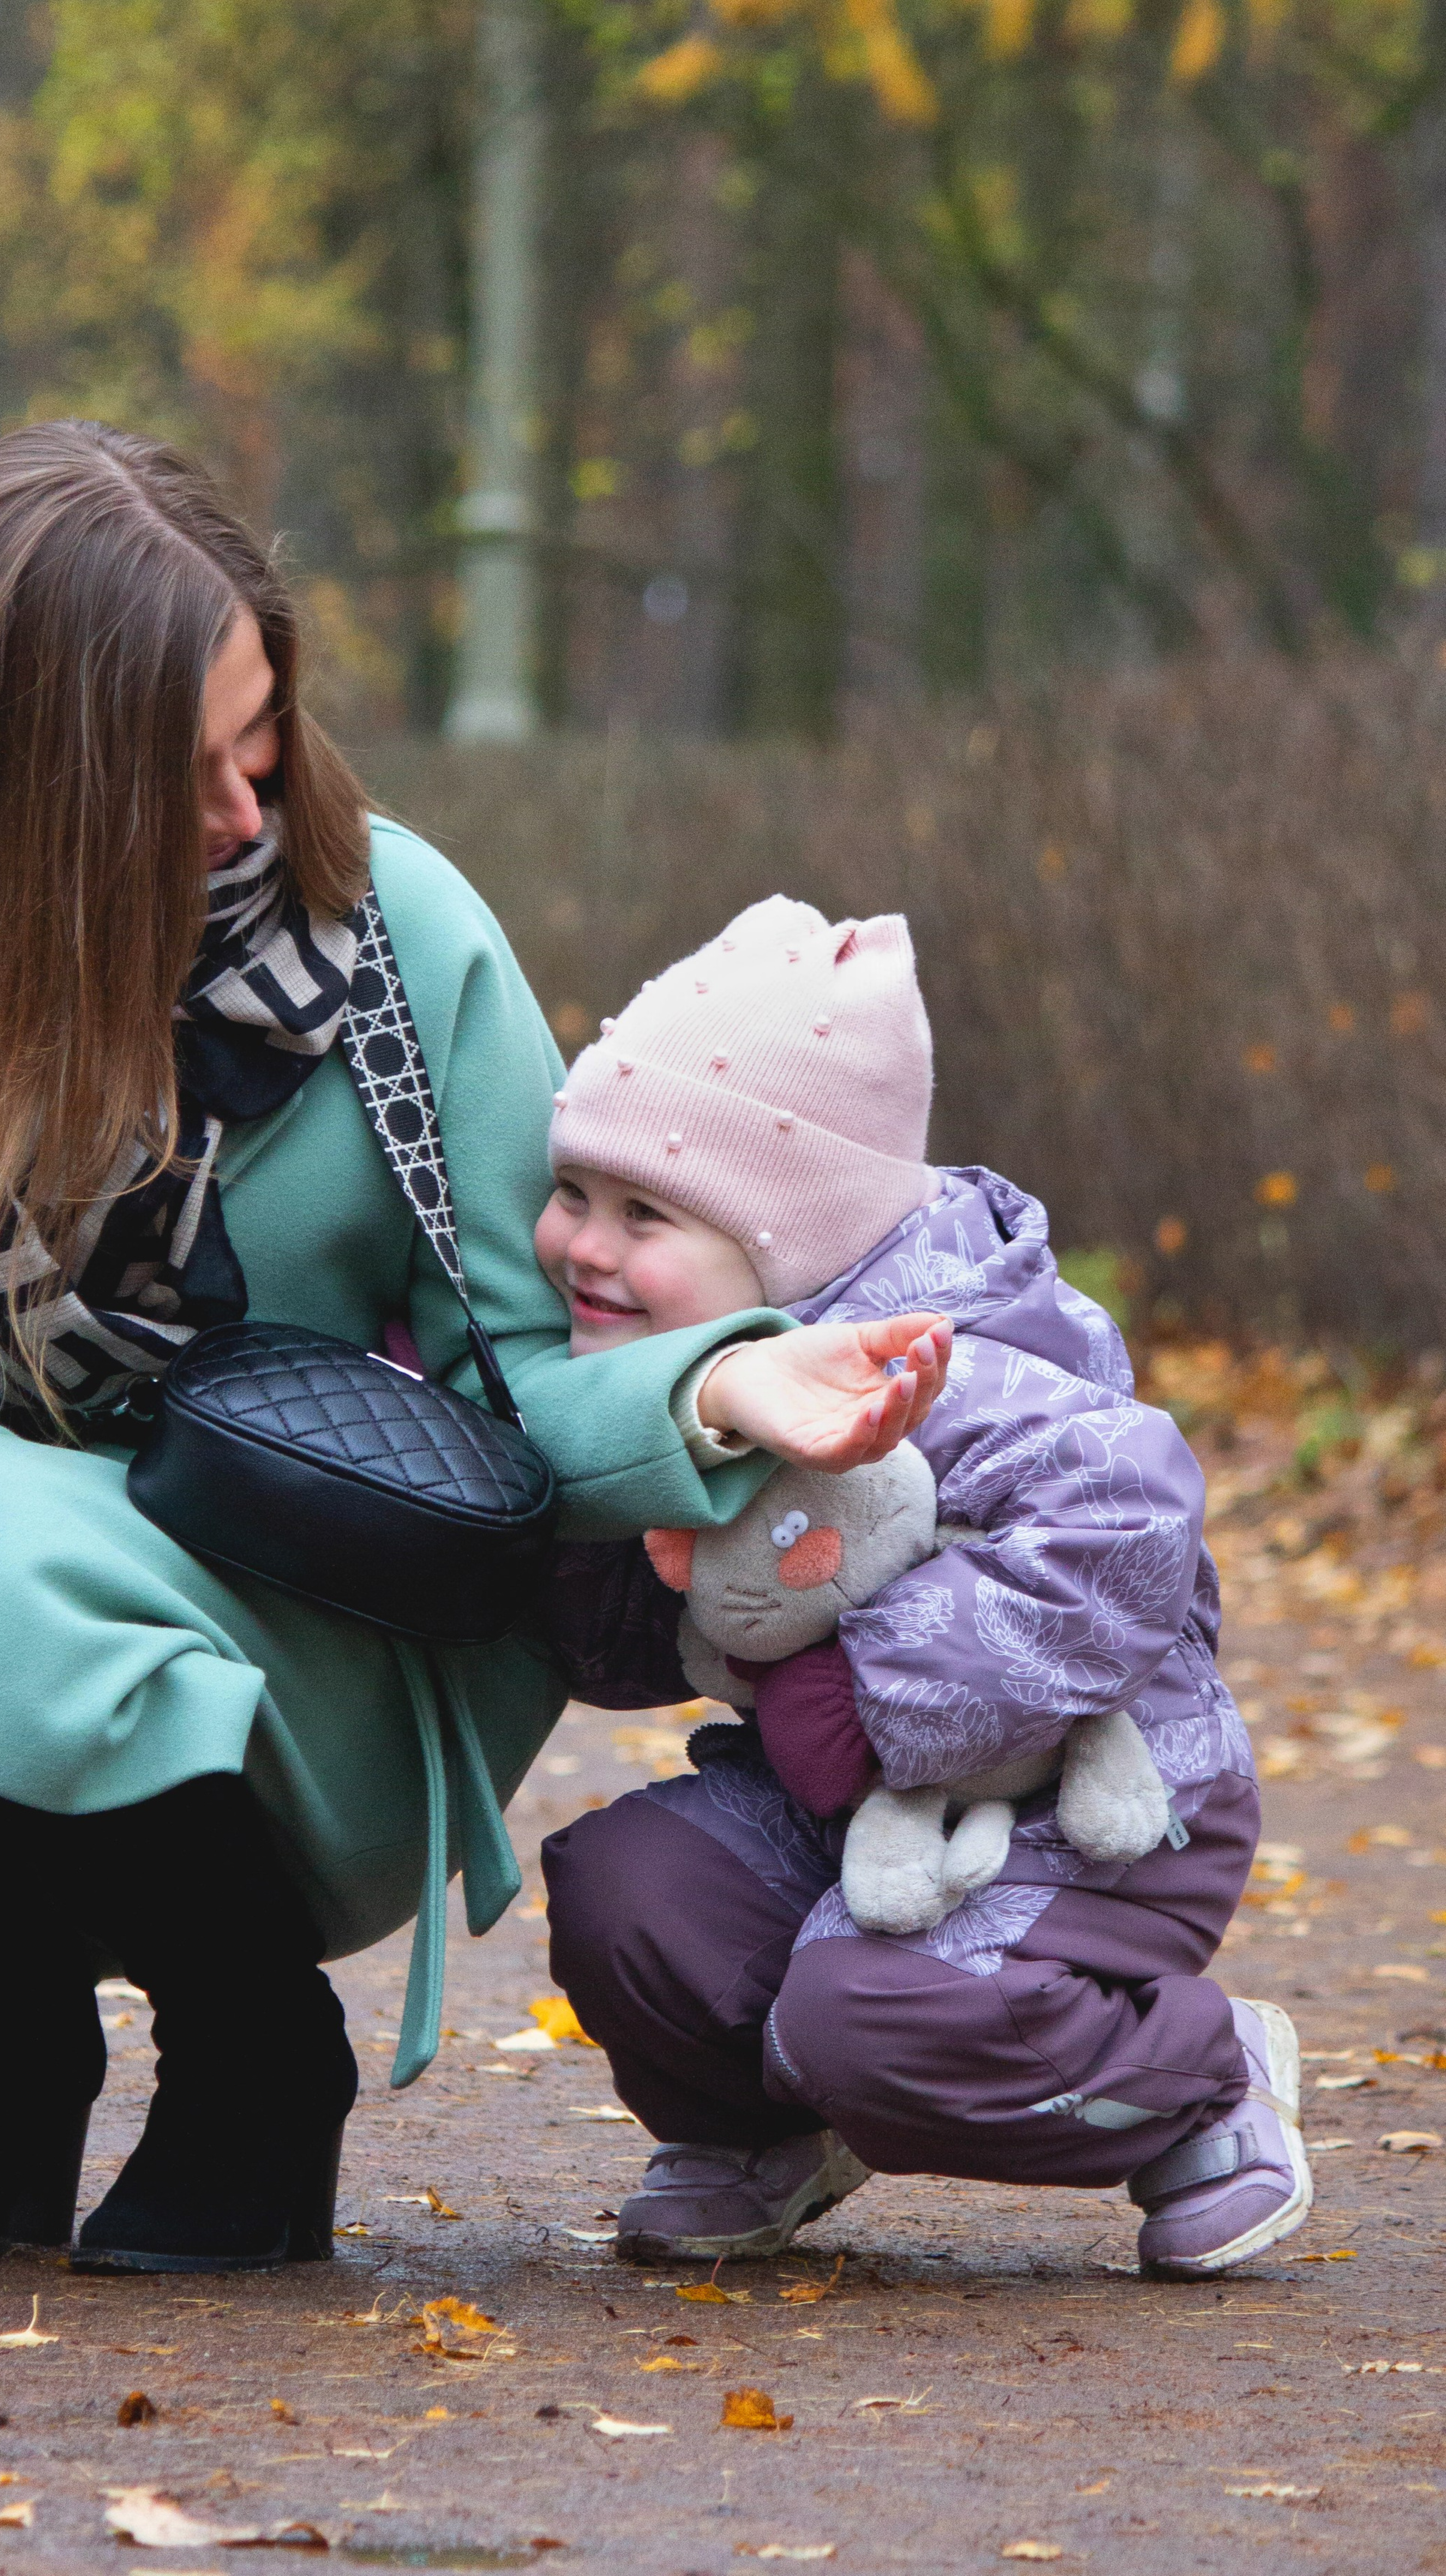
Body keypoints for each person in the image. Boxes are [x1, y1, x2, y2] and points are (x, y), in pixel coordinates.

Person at [0, 422, 949, 2277]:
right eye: (179, 770)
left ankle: (250, 2054)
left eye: (262, 736)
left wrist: (713, 1391)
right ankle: (10, 2048)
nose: (244, 810)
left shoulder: (385, 931)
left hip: (322, 1649)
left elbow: (516, 1372)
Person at [537, 897, 1304, 2282]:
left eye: (641, 1212)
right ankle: (761, 2132)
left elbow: (1131, 1518)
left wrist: (864, 1686)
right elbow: (633, 1642)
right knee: (628, 1890)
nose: (582, 1244)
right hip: (838, 1808)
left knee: (870, 2018)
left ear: (786, 1239)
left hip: (1092, 1819)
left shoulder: (939, 1366)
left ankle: (1200, 2079)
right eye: (573, 1194)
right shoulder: (687, 1375)